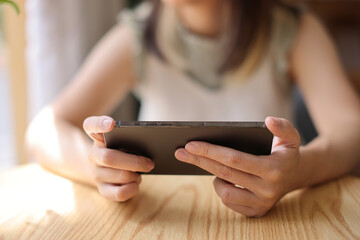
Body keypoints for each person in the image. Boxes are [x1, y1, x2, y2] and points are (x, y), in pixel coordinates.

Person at [26, 0, 360, 217]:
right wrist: (93, 166)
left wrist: (300, 171)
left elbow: (352, 130)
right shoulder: (137, 36)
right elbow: (43, 129)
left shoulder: (293, 30)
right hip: (159, 222)